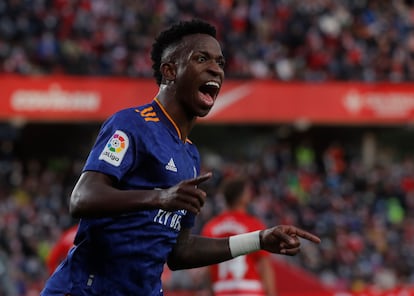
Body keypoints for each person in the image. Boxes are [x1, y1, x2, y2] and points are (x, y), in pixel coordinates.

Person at [41, 19, 321, 295]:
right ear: (170, 71)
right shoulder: (131, 124)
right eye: (202, 58)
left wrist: (258, 239)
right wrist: (159, 197)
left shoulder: (190, 155)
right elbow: (82, 198)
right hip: (86, 289)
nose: (215, 68)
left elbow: (180, 251)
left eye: (220, 62)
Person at [201, 176, 277, 296]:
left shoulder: (211, 227)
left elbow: (207, 268)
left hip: (222, 290)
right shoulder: (254, 225)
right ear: (243, 197)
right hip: (250, 289)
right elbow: (264, 265)